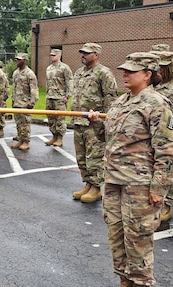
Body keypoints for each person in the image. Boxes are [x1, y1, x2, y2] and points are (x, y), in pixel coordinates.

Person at [89, 52, 173, 287]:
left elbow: (166, 149)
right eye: (124, 70)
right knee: (116, 236)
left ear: (147, 75)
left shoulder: (157, 104)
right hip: (114, 181)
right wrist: (97, 124)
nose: (124, 74)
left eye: (131, 71)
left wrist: (159, 188)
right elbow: (109, 138)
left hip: (140, 185)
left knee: (138, 240)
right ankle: (124, 280)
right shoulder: (120, 102)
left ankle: (141, 282)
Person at [71, 43, 118, 203]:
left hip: (94, 124)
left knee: (94, 157)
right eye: (82, 53)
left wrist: (106, 122)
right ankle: (88, 184)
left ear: (96, 54)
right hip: (78, 121)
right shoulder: (79, 73)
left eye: (86, 53)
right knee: (81, 157)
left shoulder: (104, 73)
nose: (83, 55)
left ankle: (96, 188)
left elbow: (111, 99)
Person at [149, 48, 173, 222]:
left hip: (169, 132)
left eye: (162, 67)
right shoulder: (154, 85)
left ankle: (168, 204)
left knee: (168, 167)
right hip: (154, 131)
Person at [45, 48, 74, 147]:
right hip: (50, 96)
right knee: (51, 118)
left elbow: (70, 82)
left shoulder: (64, 68)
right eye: (51, 55)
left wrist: (67, 96)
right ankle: (54, 136)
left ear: (59, 56)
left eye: (53, 55)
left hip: (60, 97)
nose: (52, 57)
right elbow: (47, 83)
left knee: (60, 119)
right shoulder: (49, 68)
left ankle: (60, 138)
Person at [11, 52, 38, 151]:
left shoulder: (29, 73)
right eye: (16, 59)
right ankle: (20, 139)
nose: (17, 61)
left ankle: (26, 141)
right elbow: (14, 88)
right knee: (18, 123)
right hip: (17, 102)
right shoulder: (16, 73)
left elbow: (34, 89)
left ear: (24, 60)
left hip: (25, 103)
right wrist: (13, 99)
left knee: (25, 123)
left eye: (19, 60)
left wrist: (32, 102)